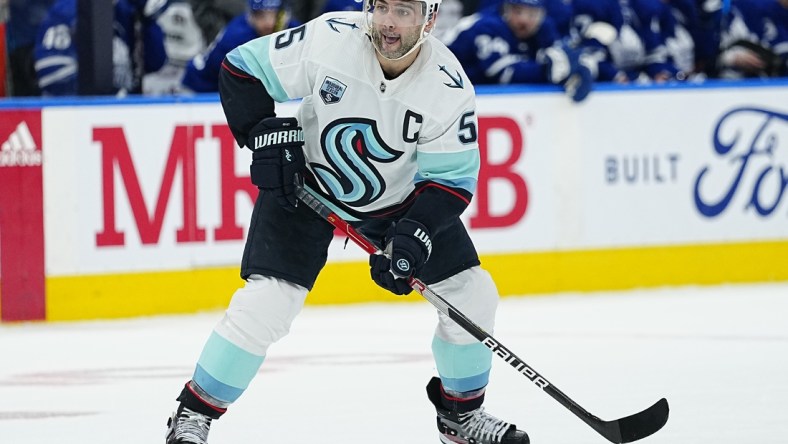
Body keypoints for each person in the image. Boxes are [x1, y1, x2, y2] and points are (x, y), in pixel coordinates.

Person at [164, 0, 531, 443]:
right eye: (382, 8)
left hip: (396, 203)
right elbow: (242, 68)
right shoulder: (331, 37)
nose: (389, 23)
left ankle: (461, 416)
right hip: (305, 187)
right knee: (267, 304)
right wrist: (264, 132)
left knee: (473, 294)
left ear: (430, 19)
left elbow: (449, 182)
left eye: (405, 12)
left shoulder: (448, 87)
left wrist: (413, 238)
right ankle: (194, 412)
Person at [444, 0, 593, 102]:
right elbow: (504, 73)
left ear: (541, 14)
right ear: (506, 9)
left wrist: (578, 69)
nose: (524, 20)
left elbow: (564, 56)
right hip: (444, 91)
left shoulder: (543, 28)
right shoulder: (487, 26)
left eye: (532, 14)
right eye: (518, 11)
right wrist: (547, 70)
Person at [33, 0, 169, 95]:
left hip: (126, 113)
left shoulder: (126, 10)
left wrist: (149, 20)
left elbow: (155, 63)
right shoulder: (67, 9)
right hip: (76, 117)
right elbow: (49, 72)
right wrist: (100, 96)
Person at [180, 0, 298, 92]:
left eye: (275, 15)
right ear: (250, 15)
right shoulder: (237, 38)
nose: (269, 23)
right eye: (260, 15)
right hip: (201, 87)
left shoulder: (294, 29)